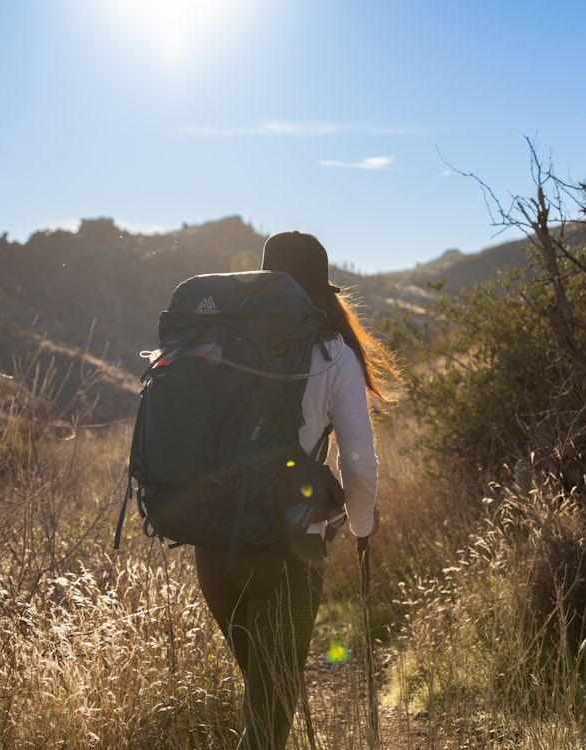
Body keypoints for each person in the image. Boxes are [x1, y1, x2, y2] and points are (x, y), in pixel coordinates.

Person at [193, 231, 398, 749]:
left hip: (216, 549)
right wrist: (361, 522)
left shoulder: (217, 342)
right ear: (321, 287)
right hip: (291, 552)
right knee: (270, 709)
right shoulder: (334, 353)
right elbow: (360, 463)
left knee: (262, 699)